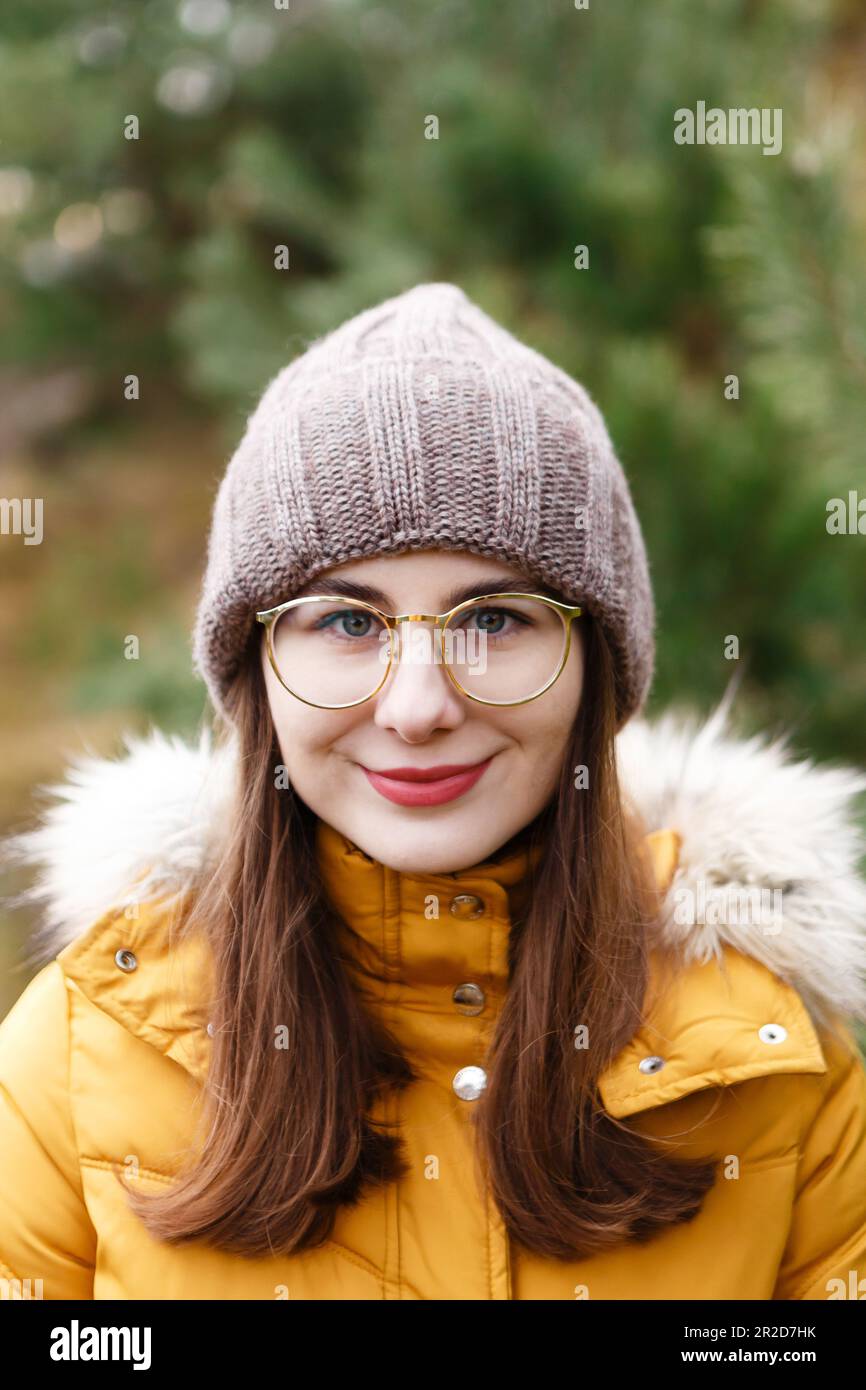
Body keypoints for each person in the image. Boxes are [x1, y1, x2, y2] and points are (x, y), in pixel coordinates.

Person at [2, 282, 866, 1301]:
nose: (418, 707)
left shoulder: (776, 1066)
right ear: (256, 673)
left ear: (594, 666)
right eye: (346, 622)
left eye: (494, 621)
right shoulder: (79, 1050)